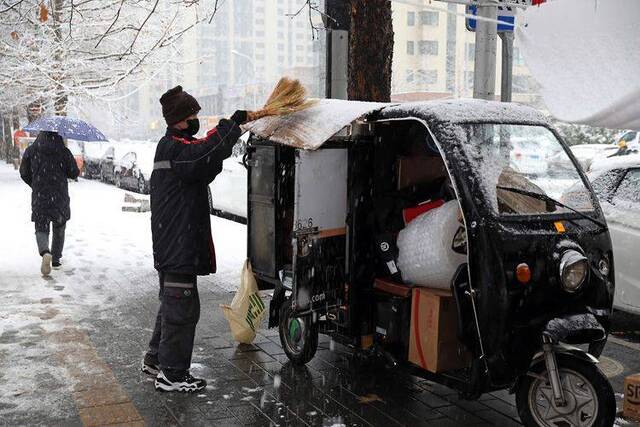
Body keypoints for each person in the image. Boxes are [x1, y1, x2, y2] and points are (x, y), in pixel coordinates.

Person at [141, 85, 247, 393]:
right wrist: (232, 127)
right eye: (194, 115)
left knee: (173, 304)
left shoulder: (175, 147)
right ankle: (172, 374)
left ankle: (156, 359)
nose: (197, 119)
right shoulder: (174, 147)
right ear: (181, 119)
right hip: (177, 245)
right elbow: (203, 154)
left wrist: (227, 136)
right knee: (182, 309)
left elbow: (204, 162)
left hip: (173, 243)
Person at [19, 131, 79, 276]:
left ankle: (45, 252)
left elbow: (23, 172)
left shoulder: (32, 150)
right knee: (59, 226)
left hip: (40, 196)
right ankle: (56, 259)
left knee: (41, 225)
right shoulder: (63, 151)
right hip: (59, 196)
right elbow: (74, 172)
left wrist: (35, 184)